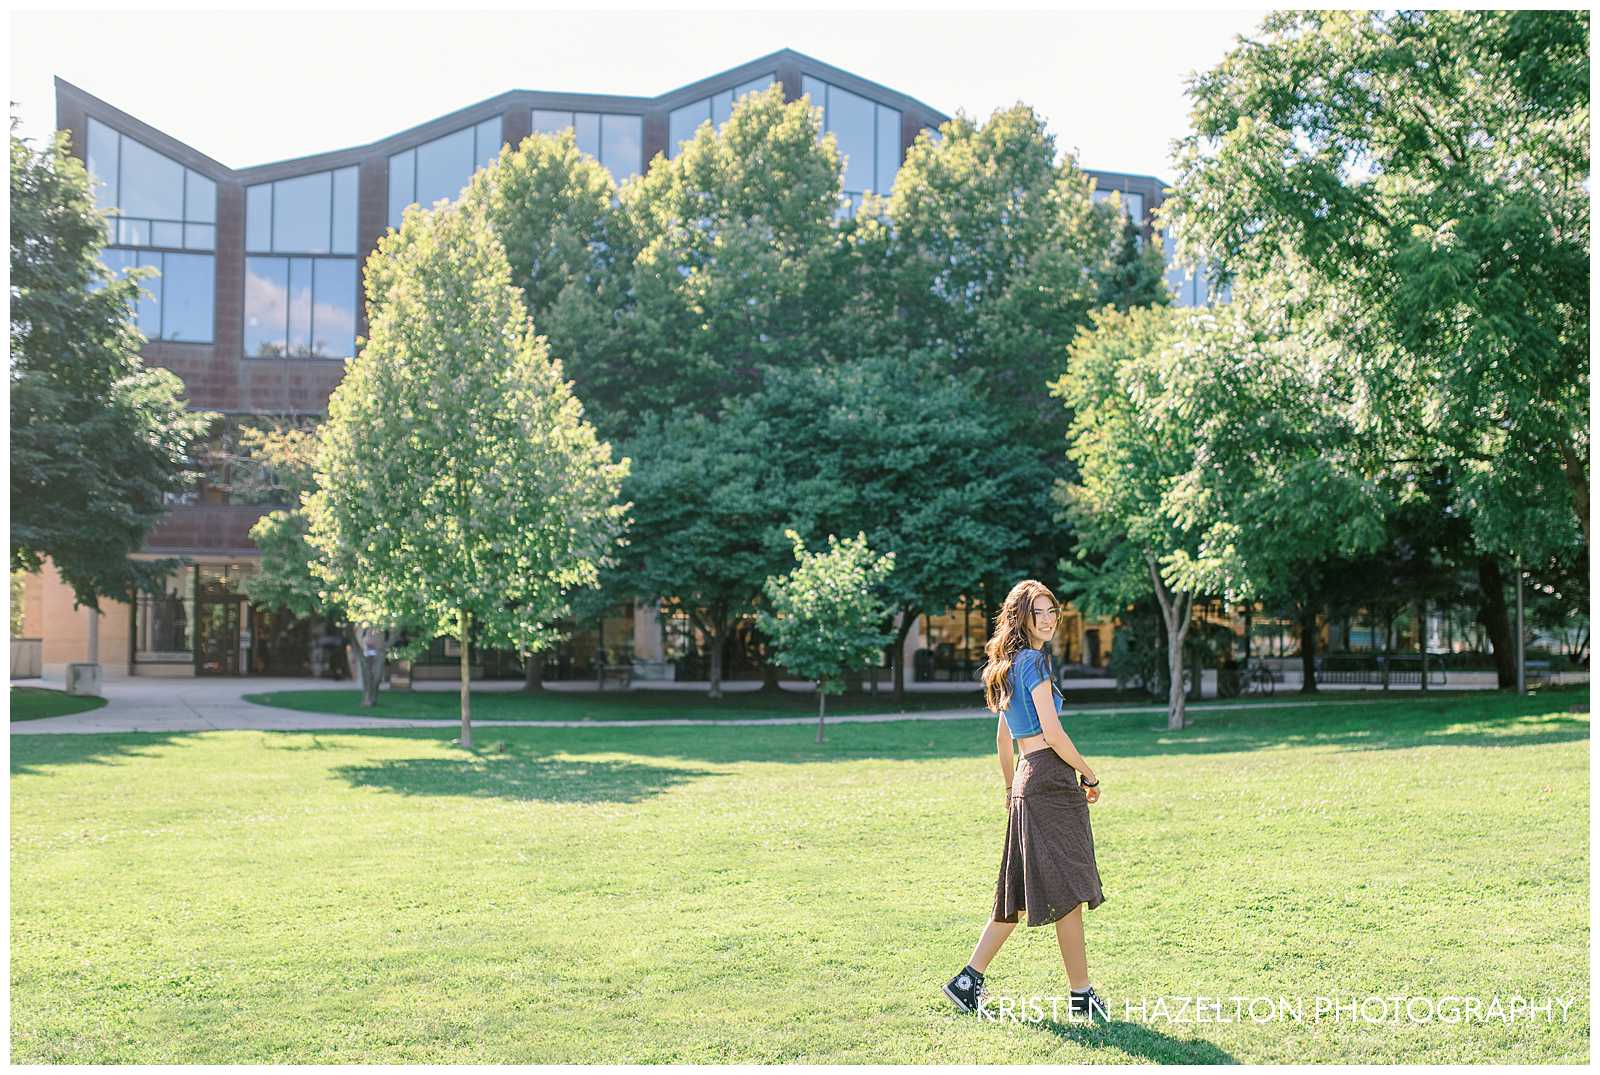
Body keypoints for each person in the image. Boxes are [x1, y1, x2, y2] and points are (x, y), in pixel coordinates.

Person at [943, 579, 1109, 1023]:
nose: (1051, 619)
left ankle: (967, 981)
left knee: (1018, 892)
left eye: (1053, 610)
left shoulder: (1005, 665)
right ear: (1023, 617)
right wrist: (1089, 775)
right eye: (1041, 612)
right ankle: (1082, 996)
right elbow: (1052, 733)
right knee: (1070, 889)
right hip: (1050, 780)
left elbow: (1004, 737)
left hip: (1026, 781)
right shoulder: (1033, 661)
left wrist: (1010, 785)